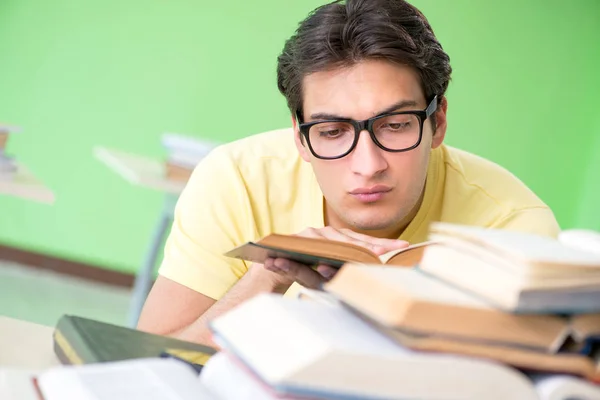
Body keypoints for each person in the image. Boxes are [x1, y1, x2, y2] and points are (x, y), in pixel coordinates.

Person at [137, 0, 559, 346]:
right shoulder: (236, 180)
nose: (368, 165)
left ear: (438, 121)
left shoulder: (513, 226)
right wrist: (269, 274)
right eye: (332, 131)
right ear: (300, 137)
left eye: (395, 125)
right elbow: (146, 360)